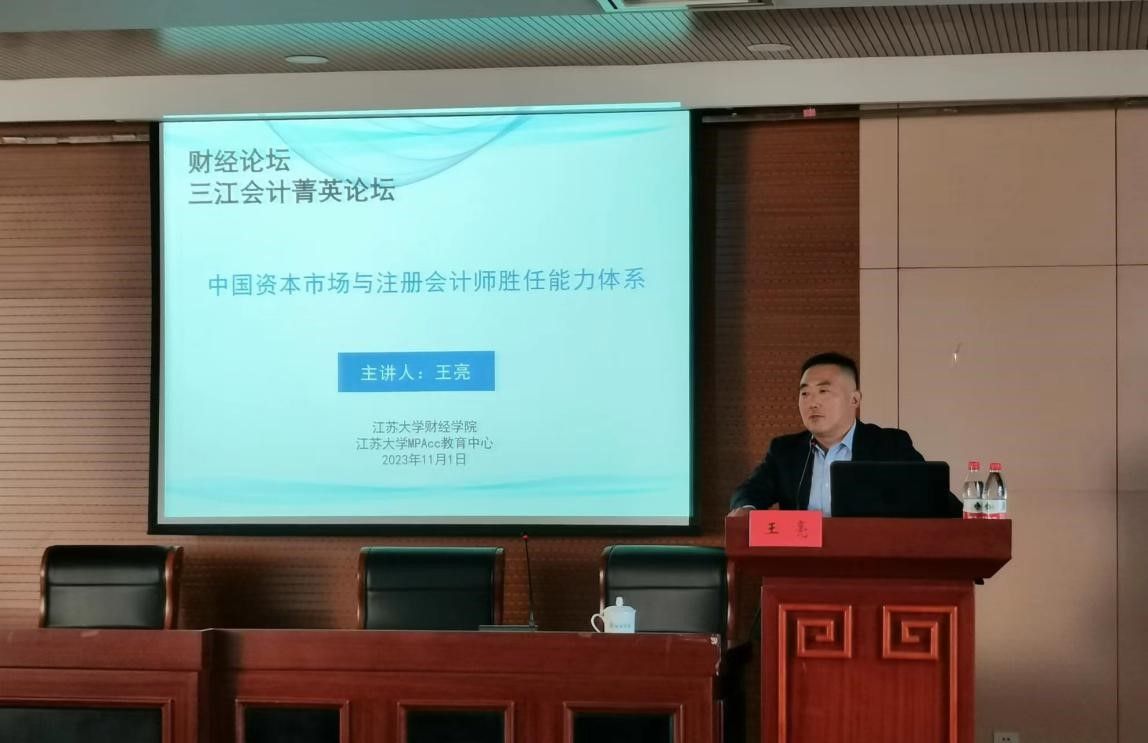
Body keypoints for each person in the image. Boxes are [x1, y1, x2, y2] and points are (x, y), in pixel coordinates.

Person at [729, 351, 942, 516]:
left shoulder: (889, 445)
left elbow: (934, 499)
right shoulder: (785, 451)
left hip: (872, 557)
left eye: (823, 391)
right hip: (803, 559)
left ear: (854, 399)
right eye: (805, 393)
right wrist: (747, 508)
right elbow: (748, 492)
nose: (813, 402)